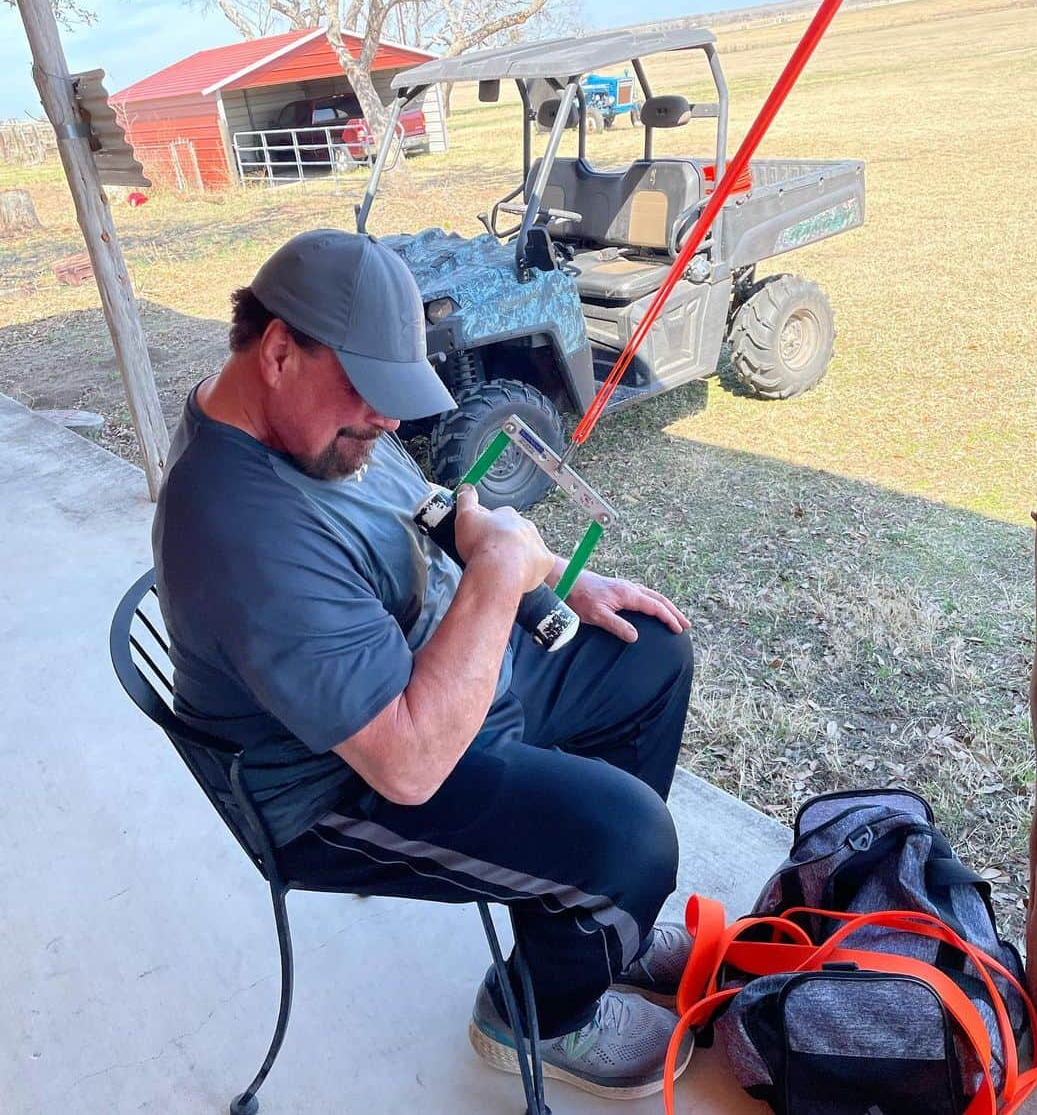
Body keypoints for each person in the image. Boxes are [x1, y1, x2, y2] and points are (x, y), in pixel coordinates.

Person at [153, 228, 697, 1100]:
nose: (391, 421)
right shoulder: (243, 530)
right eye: (373, 392)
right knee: (630, 842)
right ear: (280, 351)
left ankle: (592, 929)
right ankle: (540, 1012)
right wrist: (499, 576)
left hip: (428, 677)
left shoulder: (316, 429)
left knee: (651, 654)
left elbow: (444, 511)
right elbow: (407, 767)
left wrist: (558, 574)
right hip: (344, 785)